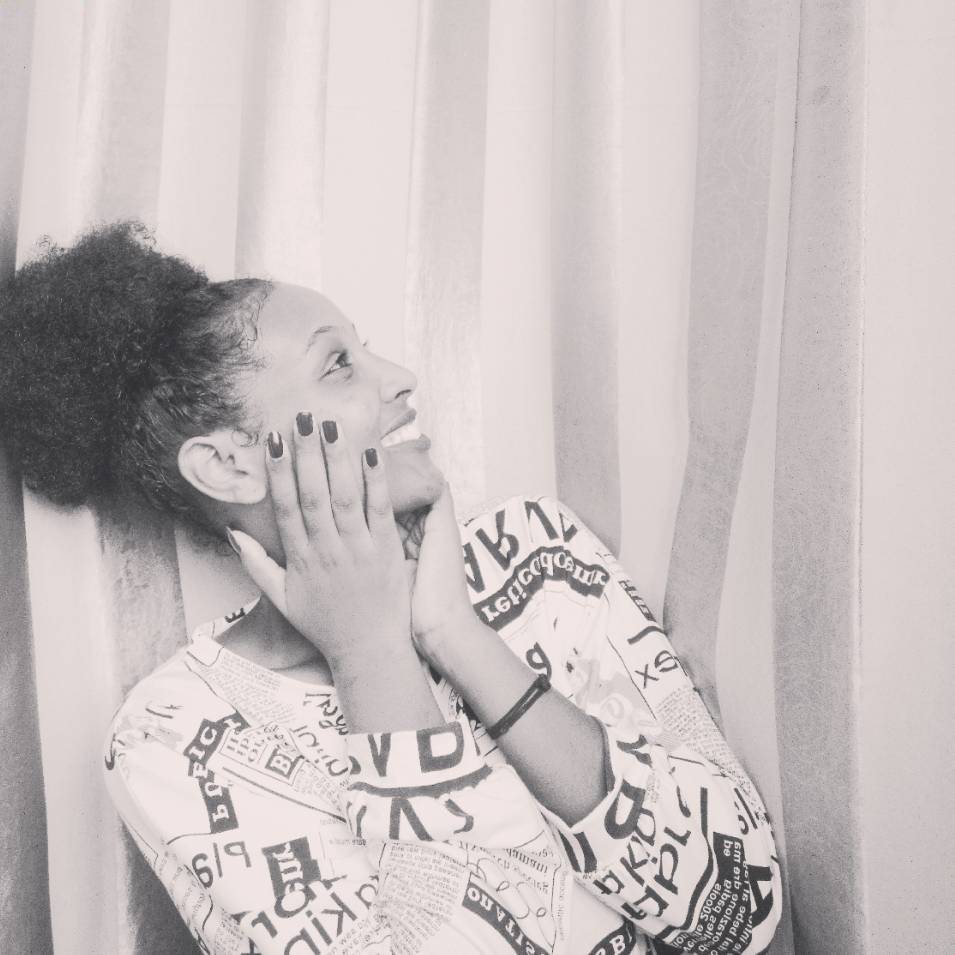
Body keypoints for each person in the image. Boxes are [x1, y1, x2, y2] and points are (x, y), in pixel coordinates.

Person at [0, 223, 782, 954]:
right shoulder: (175, 740)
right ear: (229, 465)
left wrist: (456, 635)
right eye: (337, 364)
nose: (403, 381)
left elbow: (739, 910)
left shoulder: (536, 553)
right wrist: (369, 654)